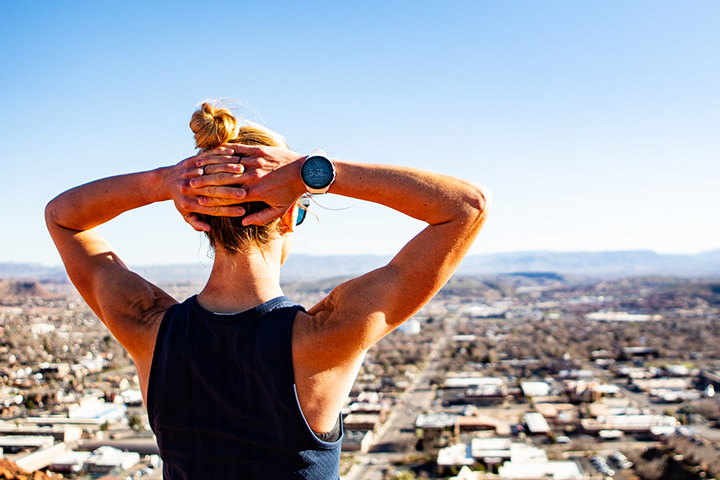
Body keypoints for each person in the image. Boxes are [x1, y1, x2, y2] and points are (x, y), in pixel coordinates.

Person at [45, 102, 491, 479]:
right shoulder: (326, 337)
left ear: (200, 215)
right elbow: (466, 207)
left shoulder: (147, 328)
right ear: (285, 215)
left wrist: (164, 182)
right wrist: (313, 173)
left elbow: (63, 217)